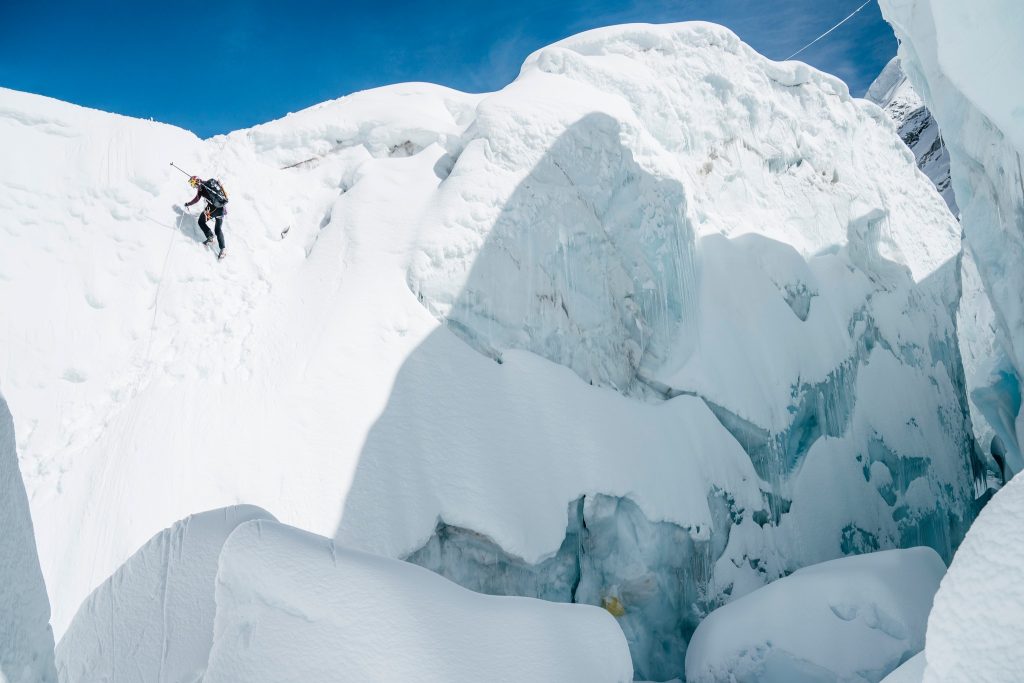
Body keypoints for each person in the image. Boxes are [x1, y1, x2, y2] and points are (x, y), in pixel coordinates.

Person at [184, 175, 229, 259]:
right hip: (222, 209)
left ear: (196, 182)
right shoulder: (209, 184)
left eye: (193, 184)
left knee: (201, 221)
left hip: (213, 209)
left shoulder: (201, 188)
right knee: (218, 229)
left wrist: (188, 204)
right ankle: (223, 249)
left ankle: (210, 237)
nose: (194, 186)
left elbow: (196, 199)